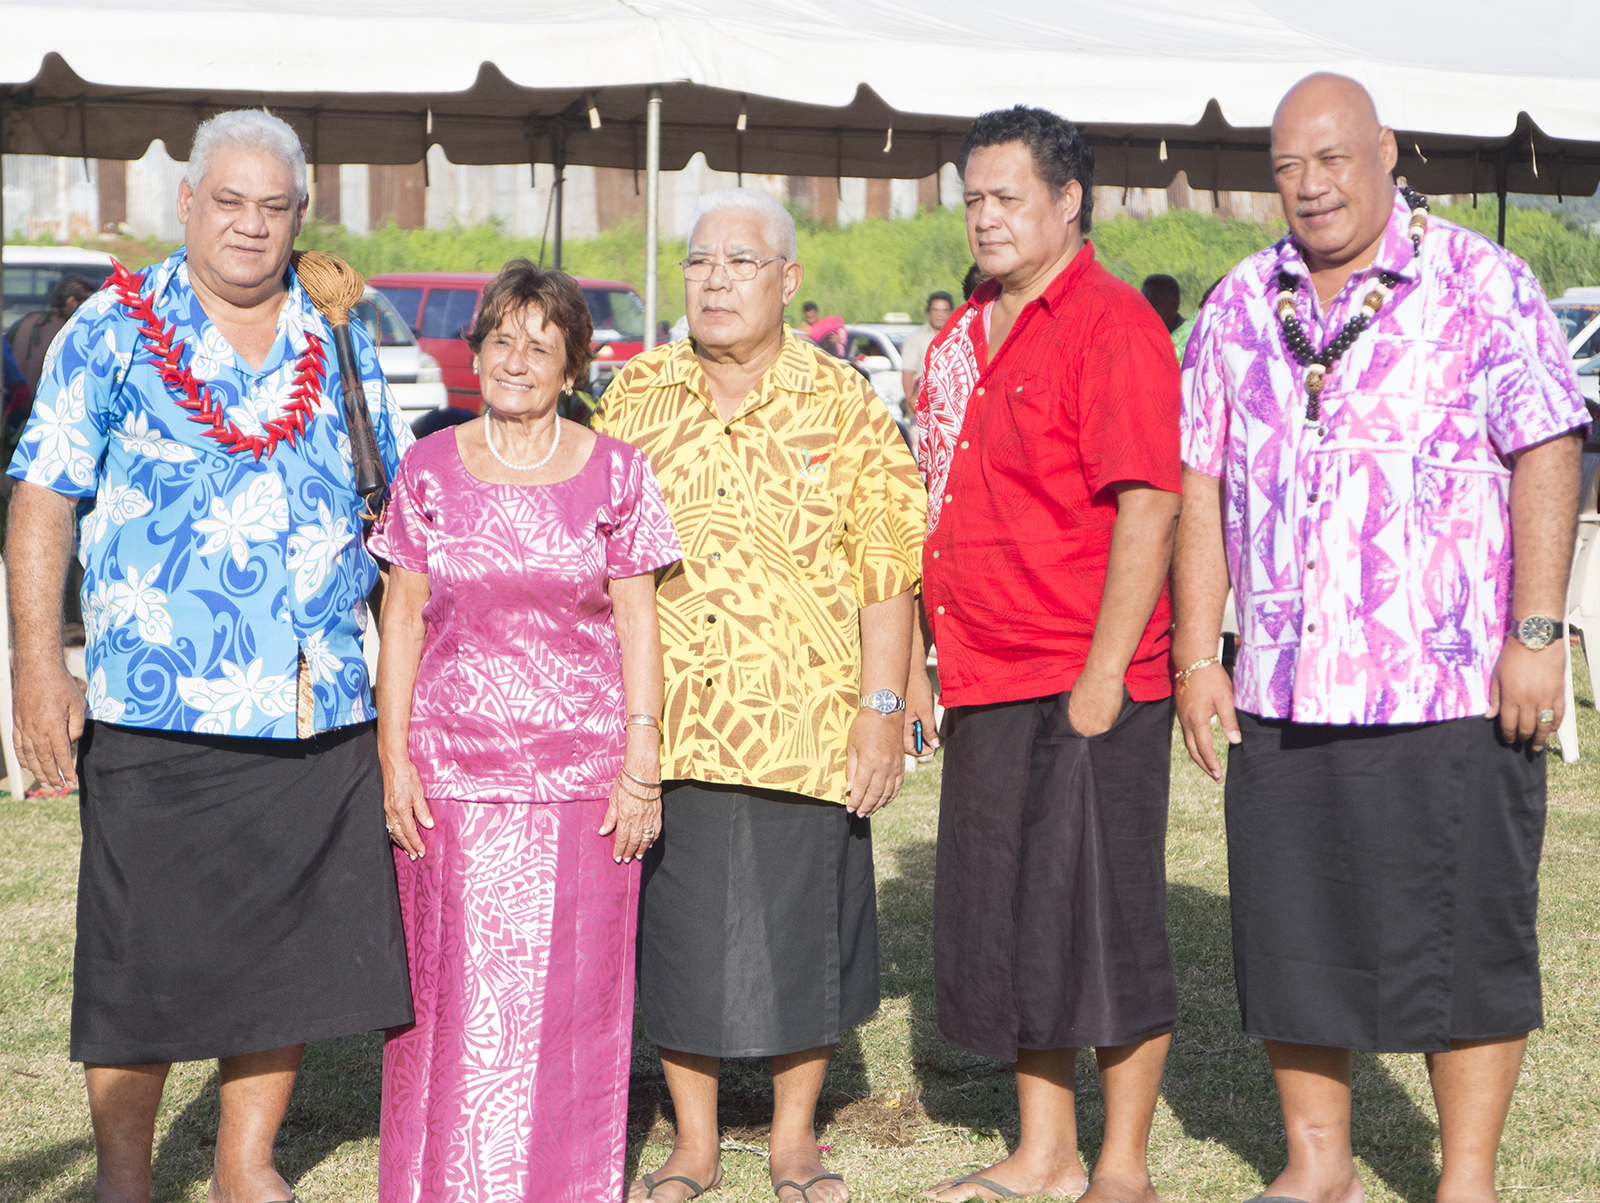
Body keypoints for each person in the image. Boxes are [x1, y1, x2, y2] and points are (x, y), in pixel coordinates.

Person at [1174, 74, 1587, 1203]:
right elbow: (1198, 478)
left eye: (1332, 160)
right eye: (1287, 168)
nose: (1309, 188)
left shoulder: (1480, 283)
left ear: (1386, 153)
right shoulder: (1237, 302)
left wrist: (1536, 631)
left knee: (1462, 937)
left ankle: (1465, 1179)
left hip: (1447, 679)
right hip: (1284, 684)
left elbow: (1547, 446)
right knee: (1291, 931)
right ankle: (1319, 1164)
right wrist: (1198, 656)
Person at [6, 109, 414, 1203]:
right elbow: (43, 497)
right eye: (227, 202)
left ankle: (245, 1165)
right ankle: (126, 1178)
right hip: (155, 699)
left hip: (315, 698)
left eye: (271, 207)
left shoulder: (335, 333)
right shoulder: (111, 327)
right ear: (186, 206)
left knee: (283, 956)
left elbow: (396, 505)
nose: (248, 225)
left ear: (297, 218)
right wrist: (39, 669)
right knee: (145, 960)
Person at [593, 187, 925, 1203]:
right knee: (682, 942)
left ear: (788, 282)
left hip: (809, 724)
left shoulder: (844, 403)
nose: (716, 280)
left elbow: (887, 563)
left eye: (742, 263)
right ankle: (693, 1144)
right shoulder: (633, 397)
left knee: (801, 938)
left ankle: (792, 1143)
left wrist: (882, 713)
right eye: (699, 262)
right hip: (671, 727)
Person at [912, 106, 1182, 1203]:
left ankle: (1121, 1163)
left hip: (1082, 674)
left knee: (1102, 925)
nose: (983, 217)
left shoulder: (1111, 324)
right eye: (971, 198)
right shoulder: (962, 332)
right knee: (1014, 922)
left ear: (1068, 202)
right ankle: (1044, 1152)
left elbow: (1150, 504)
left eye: (1005, 197)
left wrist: (1103, 679)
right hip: (984, 671)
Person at [370, 260, 683, 1202]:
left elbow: (639, 623)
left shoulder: (618, 471)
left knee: (571, 1009)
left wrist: (642, 764)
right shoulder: (427, 467)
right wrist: (392, 760)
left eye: (541, 344)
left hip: (586, 786)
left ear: (572, 364)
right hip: (452, 780)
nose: (517, 359)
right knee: (454, 1006)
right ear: (476, 351)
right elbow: (400, 619)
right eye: (501, 338)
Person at [11, 272, 97, 389]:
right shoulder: (71, 331)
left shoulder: (22, 323)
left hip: (15, 403)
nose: (92, 309)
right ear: (72, 303)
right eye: (88, 303)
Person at [900, 290, 954, 405]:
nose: (940, 315)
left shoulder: (958, 337)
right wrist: (910, 401)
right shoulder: (915, 338)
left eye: (944, 311)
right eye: (935, 310)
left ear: (951, 313)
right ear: (928, 313)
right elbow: (908, 372)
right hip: (924, 401)